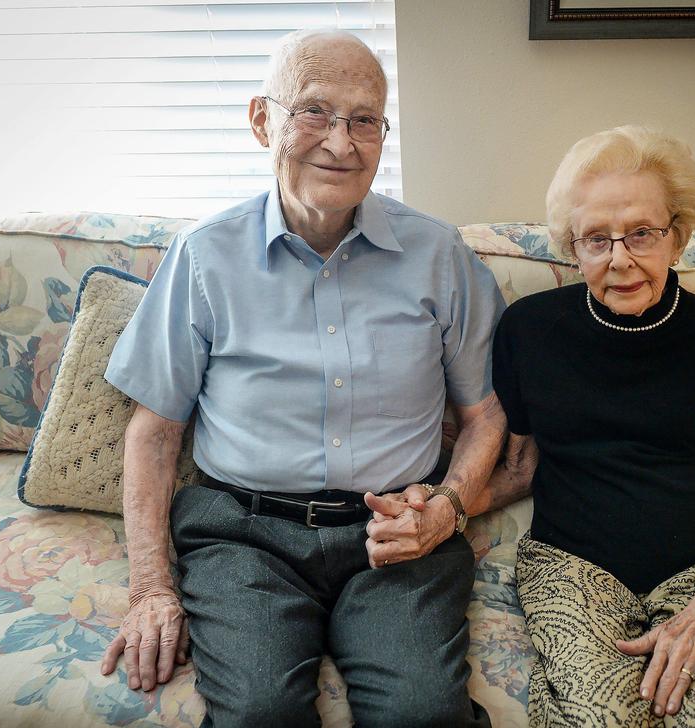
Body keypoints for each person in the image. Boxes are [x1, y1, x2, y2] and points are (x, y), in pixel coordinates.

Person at [97, 29, 505, 728]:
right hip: (243, 536)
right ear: (264, 120)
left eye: (364, 120)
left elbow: (486, 418)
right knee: (258, 712)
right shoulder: (204, 256)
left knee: (422, 715)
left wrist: (446, 508)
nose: (341, 144)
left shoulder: (439, 255)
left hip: (397, 534)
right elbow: (154, 432)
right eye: (314, 112)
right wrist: (149, 590)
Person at [482, 126, 695, 727]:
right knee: (601, 720)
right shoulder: (528, 331)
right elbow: (519, 466)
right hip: (571, 568)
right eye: (596, 239)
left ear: (678, 235)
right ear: (574, 248)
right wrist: (442, 507)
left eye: (641, 234)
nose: (619, 259)